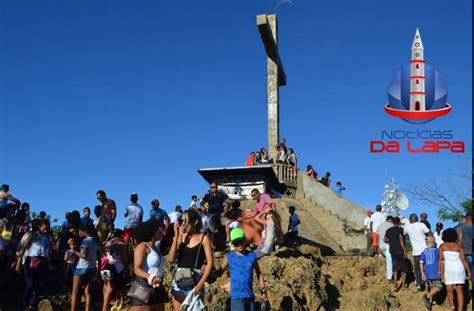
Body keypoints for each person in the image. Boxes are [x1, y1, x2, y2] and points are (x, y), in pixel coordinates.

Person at [168, 209, 213, 311]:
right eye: (181, 221)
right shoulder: (181, 237)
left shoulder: (204, 238)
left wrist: (200, 284)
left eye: (186, 221)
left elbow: (210, 262)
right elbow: (171, 259)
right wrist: (176, 236)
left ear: (195, 222)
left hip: (195, 281)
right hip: (180, 279)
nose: (183, 224)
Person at [218, 228, 267, 311]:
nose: (239, 244)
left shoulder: (252, 256)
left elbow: (258, 272)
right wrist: (208, 269)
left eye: (241, 241)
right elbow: (218, 273)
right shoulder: (229, 257)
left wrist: (263, 289)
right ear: (232, 244)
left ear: (245, 239)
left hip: (250, 296)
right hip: (236, 298)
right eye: (236, 243)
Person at [129, 219, 167, 311]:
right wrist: (150, 277)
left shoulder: (156, 249)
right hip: (143, 289)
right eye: (158, 229)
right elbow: (136, 269)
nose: (160, 231)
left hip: (157, 289)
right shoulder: (142, 246)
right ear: (151, 231)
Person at [15, 219, 50, 310]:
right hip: (32, 260)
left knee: (40, 284)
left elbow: (47, 250)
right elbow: (23, 248)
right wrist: (18, 262)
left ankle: (32, 304)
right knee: (30, 284)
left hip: (43, 262)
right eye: (44, 228)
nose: (46, 230)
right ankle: (24, 305)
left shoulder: (46, 237)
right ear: (39, 227)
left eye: (47, 228)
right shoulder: (32, 235)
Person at [439, 228, 471, 311]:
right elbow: (463, 259)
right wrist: (468, 271)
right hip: (459, 268)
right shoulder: (458, 246)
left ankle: (452, 306)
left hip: (449, 269)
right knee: (459, 290)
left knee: (449, 290)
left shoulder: (442, 246)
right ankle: (460, 309)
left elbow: (440, 259)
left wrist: (439, 270)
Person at [71, 224, 101, 311]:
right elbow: (99, 258)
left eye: (80, 231)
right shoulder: (96, 242)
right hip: (91, 268)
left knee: (75, 291)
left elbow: (84, 255)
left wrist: (74, 251)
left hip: (81, 267)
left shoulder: (86, 241)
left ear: (84, 231)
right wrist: (98, 270)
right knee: (87, 292)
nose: (79, 233)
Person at [404, 213, 431, 291]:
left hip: (416, 252)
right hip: (425, 250)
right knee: (427, 267)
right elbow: (429, 234)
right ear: (417, 218)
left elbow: (403, 236)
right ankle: (428, 284)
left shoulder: (407, 227)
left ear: (410, 220)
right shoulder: (421, 225)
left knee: (417, 269)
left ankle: (419, 285)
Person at [384, 217, 408, 292]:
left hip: (392, 250)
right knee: (404, 268)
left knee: (395, 268)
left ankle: (395, 285)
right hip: (400, 250)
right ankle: (403, 285)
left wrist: (391, 242)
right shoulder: (400, 229)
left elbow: (384, 240)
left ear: (393, 222)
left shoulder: (388, 230)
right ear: (399, 222)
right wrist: (404, 251)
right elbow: (401, 239)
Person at [420, 236, 442, 309]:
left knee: (432, 287)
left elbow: (421, 263)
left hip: (427, 273)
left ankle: (431, 302)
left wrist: (422, 273)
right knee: (438, 286)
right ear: (433, 243)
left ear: (426, 243)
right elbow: (441, 260)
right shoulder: (437, 250)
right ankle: (427, 296)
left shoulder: (424, 251)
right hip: (435, 272)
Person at [377, 215, 394, 283]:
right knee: (389, 260)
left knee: (385, 255)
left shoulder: (379, 225)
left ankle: (381, 255)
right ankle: (389, 278)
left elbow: (377, 237)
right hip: (387, 244)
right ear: (391, 220)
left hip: (381, 245)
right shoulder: (391, 225)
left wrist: (378, 247)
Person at [457, 212, 472, 281]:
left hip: (467, 251)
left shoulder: (461, 228)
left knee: (468, 270)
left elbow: (459, 240)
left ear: (466, 219)